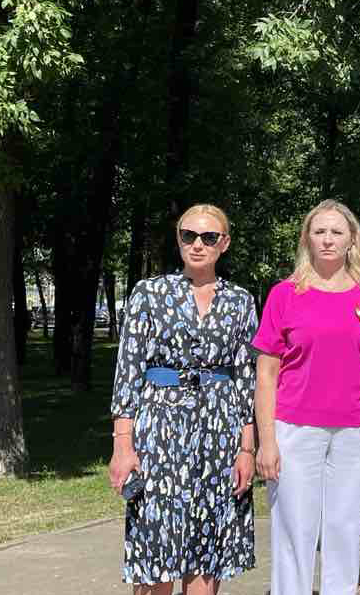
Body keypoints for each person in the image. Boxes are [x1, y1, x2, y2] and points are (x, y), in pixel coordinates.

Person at [109, 204, 257, 594]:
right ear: (178, 239)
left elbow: (245, 377)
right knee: (156, 552)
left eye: (208, 237)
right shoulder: (149, 294)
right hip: (160, 432)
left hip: (219, 432)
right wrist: (123, 446)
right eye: (188, 235)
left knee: (208, 554)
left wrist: (247, 448)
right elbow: (127, 374)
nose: (197, 244)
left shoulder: (241, 301)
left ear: (223, 243)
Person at [254, 200, 360, 595]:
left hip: (355, 432)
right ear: (307, 239)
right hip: (296, 428)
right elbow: (266, 373)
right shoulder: (284, 294)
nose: (328, 239)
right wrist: (267, 441)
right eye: (320, 231)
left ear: (352, 238)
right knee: (294, 530)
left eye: (337, 231)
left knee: (344, 528)